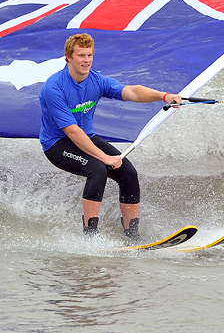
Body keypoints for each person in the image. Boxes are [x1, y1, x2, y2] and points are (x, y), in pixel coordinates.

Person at [39, 33, 182, 240]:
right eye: (81, 55)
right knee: (97, 170)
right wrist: (104, 158)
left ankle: (132, 234)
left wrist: (163, 96)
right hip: (57, 144)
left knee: (128, 173)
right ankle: (90, 236)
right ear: (68, 57)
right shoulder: (54, 88)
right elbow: (71, 131)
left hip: (86, 137)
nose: (86, 60)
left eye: (89, 55)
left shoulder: (96, 80)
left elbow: (132, 92)